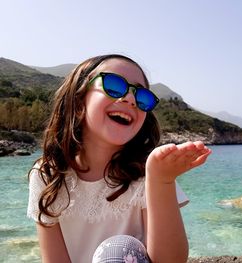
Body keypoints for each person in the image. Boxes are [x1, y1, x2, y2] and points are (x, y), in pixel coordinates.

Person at [27, 54, 211, 263]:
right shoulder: (47, 175)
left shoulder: (147, 172)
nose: (131, 99)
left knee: (119, 252)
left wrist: (162, 180)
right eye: (114, 85)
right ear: (78, 103)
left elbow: (170, 260)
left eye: (142, 97)